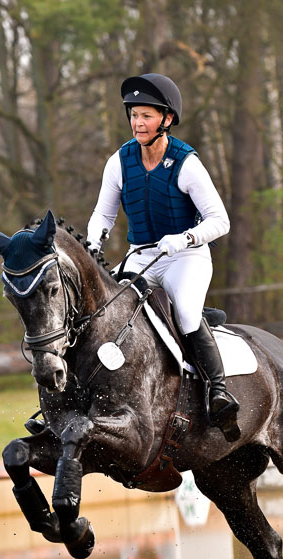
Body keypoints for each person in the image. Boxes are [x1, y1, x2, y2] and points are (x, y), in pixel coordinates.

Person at [86, 73, 240, 442]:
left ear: (166, 120)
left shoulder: (186, 163)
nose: (138, 123)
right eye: (134, 115)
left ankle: (217, 392)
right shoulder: (119, 162)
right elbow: (103, 215)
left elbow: (220, 221)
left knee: (185, 312)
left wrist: (185, 237)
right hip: (141, 257)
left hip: (186, 257)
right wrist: (94, 242)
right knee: (107, 311)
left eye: (146, 116)